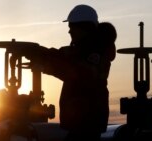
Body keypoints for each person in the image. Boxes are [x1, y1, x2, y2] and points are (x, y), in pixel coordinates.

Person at [18, 4, 117, 141]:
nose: (69, 32)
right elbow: (59, 56)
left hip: (87, 125)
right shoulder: (82, 50)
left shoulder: (95, 54)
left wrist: (42, 63)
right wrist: (36, 52)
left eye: (72, 27)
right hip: (82, 125)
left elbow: (73, 72)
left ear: (84, 28)